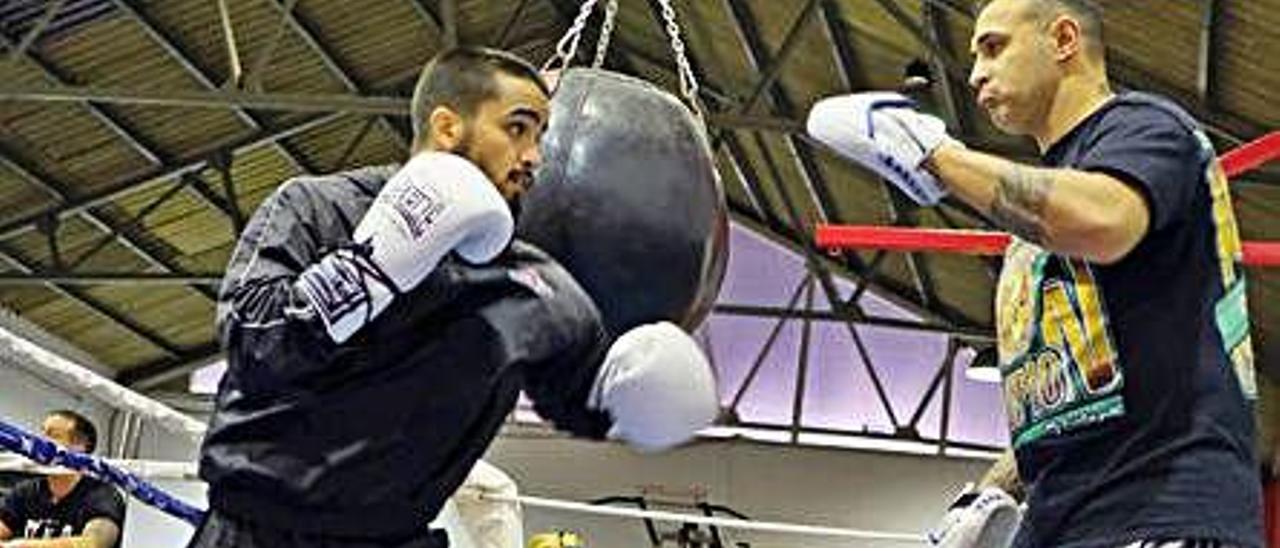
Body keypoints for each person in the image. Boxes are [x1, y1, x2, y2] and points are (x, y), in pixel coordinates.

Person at [186, 46, 719, 548]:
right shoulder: (319, 208)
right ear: (446, 126)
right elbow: (252, 342)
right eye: (517, 129)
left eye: (542, 136)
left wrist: (640, 400)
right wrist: (371, 265)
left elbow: (582, 397)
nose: (535, 157)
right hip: (254, 532)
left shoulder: (532, 280)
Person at [806, 0, 1263, 546]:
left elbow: (1104, 221)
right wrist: (989, 493)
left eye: (994, 47)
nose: (975, 73)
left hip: (1163, 512)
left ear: (1064, 39)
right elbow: (1065, 405)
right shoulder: (1041, 219)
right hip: (1063, 519)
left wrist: (932, 154)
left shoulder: (1148, 128)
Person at [0, 411, 125, 548]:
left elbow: (94, 544)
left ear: (79, 448)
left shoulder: (103, 495)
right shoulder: (26, 491)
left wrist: (23, 546)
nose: (41, 443)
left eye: (52, 435)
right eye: (42, 434)